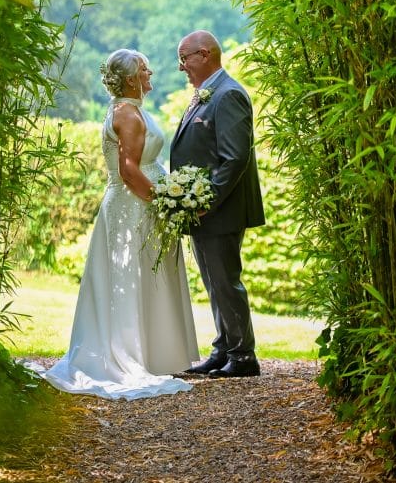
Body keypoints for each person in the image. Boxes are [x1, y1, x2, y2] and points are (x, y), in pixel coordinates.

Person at [42, 48, 199, 400]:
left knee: (146, 275)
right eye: (145, 69)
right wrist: (165, 201)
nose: (150, 74)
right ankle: (129, 355)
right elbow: (129, 171)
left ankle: (152, 354)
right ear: (131, 78)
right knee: (131, 276)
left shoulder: (129, 109)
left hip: (138, 203)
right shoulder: (127, 115)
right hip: (134, 206)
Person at [171, 30, 265, 378]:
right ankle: (224, 347)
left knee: (226, 280)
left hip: (219, 208)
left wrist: (205, 201)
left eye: (185, 58)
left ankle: (243, 356)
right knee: (213, 280)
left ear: (206, 53)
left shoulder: (228, 95)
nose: (182, 67)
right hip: (203, 209)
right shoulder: (205, 94)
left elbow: (234, 158)